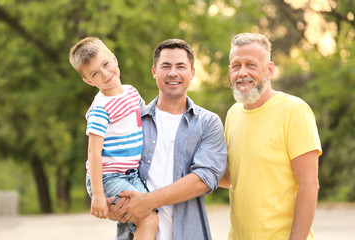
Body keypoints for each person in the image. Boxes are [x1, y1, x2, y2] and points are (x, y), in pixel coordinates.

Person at [107, 38, 227, 240]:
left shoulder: (208, 123)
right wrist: (111, 206)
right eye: (166, 66)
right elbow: (112, 170)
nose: (173, 73)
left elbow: (205, 178)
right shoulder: (133, 121)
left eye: (181, 66)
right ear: (154, 72)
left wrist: (148, 201)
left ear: (192, 73)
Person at [219, 32, 322, 240]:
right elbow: (232, 177)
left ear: (270, 70)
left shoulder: (294, 110)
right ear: (230, 71)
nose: (242, 73)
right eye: (236, 66)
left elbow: (309, 185)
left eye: (251, 65)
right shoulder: (233, 114)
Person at [69, 37, 158, 240]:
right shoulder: (100, 109)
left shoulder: (132, 93)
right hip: (108, 177)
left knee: (151, 216)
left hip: (131, 174)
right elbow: (93, 152)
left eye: (106, 64)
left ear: (114, 59)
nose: (105, 74)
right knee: (148, 219)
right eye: (95, 74)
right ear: (88, 81)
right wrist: (99, 195)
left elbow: (147, 123)